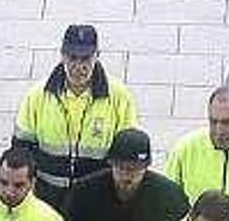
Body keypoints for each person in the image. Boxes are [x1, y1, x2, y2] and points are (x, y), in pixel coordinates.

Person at [12, 24, 138, 210]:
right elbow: (21, 150)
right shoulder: (37, 96)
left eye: (85, 58)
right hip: (47, 200)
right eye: (72, 58)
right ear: (62, 54)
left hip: (96, 200)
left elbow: (127, 152)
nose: (78, 66)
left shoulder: (119, 97)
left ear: (97, 55)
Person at [64, 128, 189, 221]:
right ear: (110, 163)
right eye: (120, 167)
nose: (126, 175)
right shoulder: (84, 192)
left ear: (146, 166)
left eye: (134, 169)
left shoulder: (169, 196)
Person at [0, 148, 60, 221]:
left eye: (18, 185)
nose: (9, 192)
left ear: (32, 183)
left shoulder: (50, 218)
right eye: (3, 182)